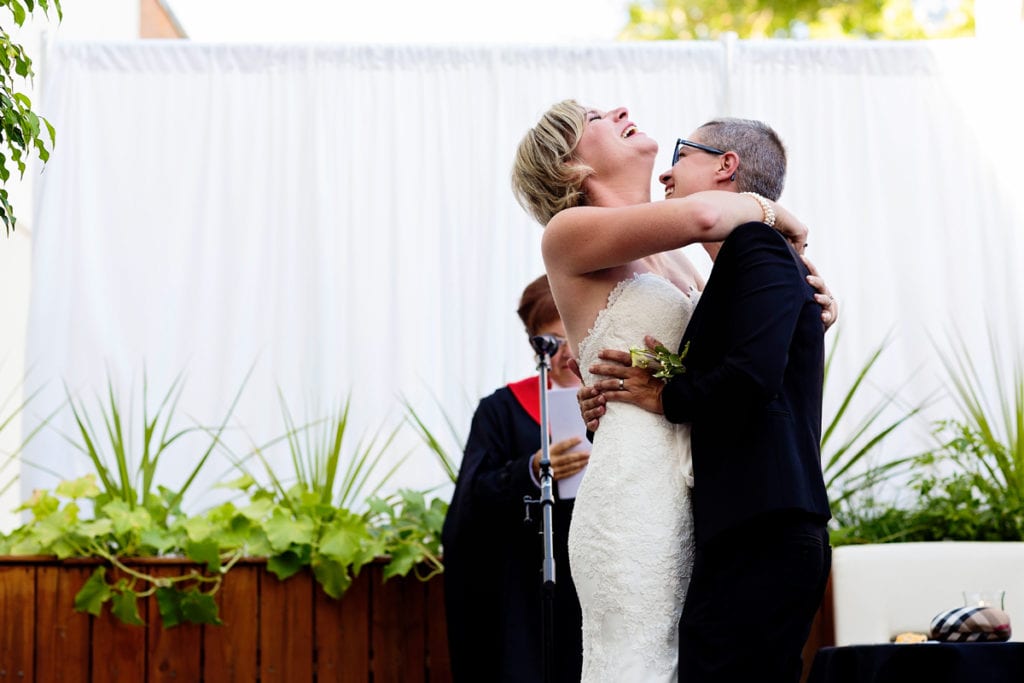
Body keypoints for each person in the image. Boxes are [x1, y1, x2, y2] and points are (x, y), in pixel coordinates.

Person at [512, 101, 834, 682]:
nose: (620, 109)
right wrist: (776, 213)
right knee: (638, 659)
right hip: (634, 483)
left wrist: (800, 312)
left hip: (703, 488)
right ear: (571, 166)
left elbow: (728, 349)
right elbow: (711, 215)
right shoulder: (569, 231)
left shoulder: (678, 259)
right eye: (594, 118)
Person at [441, 274, 589, 683]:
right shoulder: (502, 409)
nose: (565, 353)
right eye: (551, 343)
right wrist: (531, 470)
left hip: (597, 572)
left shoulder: (614, 399)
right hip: (527, 583)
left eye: (573, 336)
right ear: (533, 343)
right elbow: (471, 499)